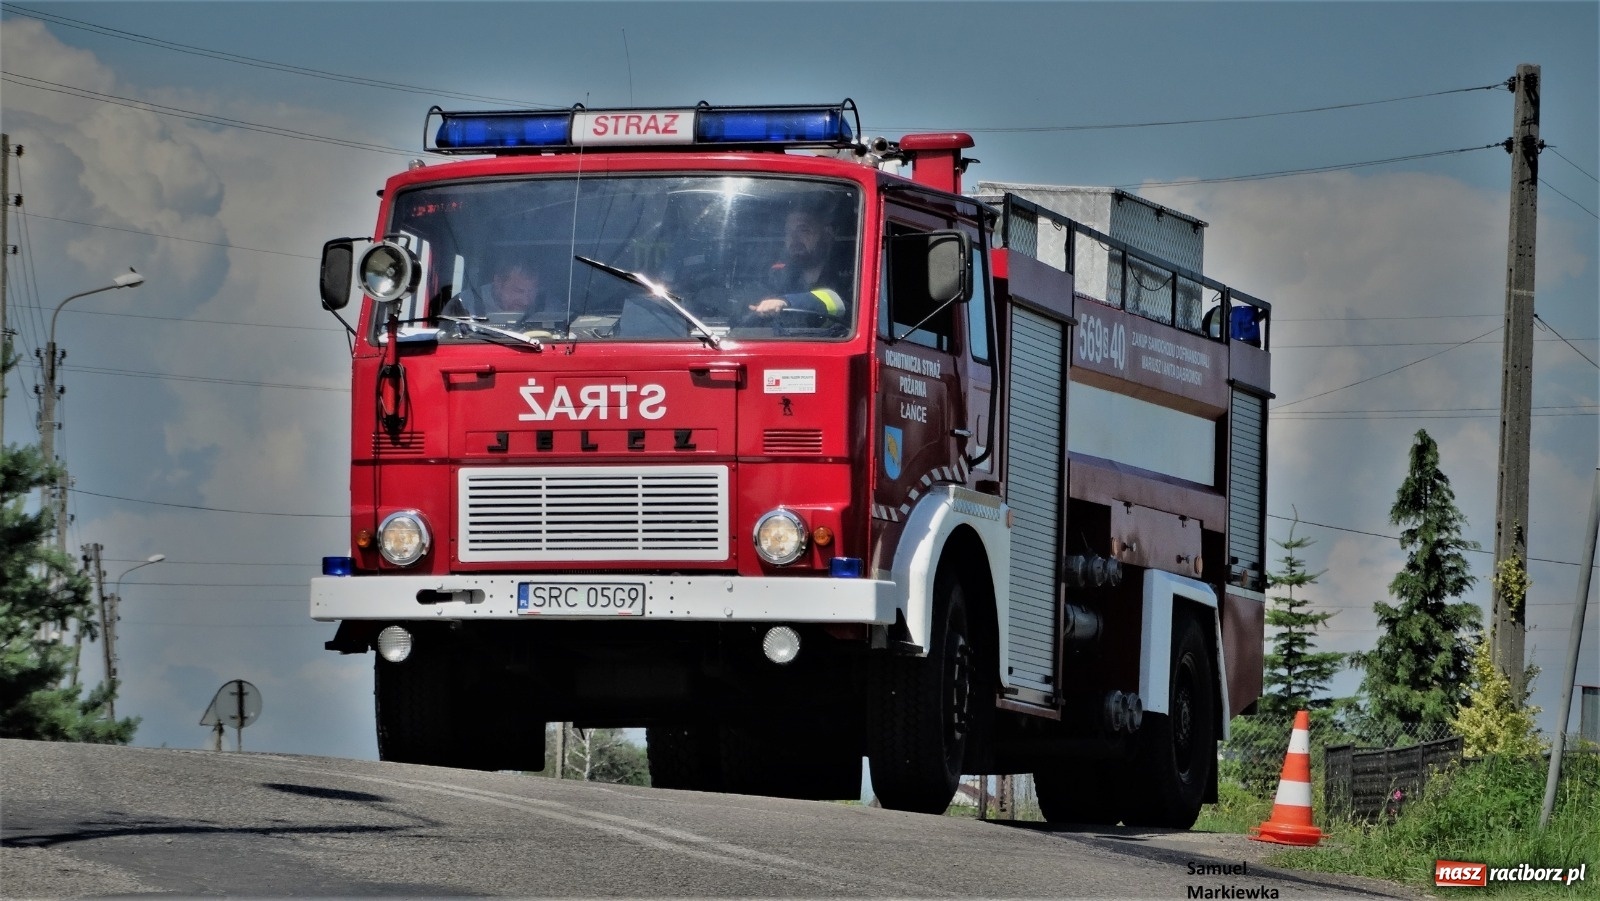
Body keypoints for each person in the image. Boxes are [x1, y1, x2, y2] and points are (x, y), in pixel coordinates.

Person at [746, 207, 848, 321]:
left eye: (803, 230)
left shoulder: (851, 274)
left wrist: (786, 302)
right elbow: (750, 301)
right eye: (788, 232)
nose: (793, 239)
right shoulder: (777, 276)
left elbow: (839, 302)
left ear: (827, 234)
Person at [445, 255, 554, 323]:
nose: (526, 301)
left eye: (532, 291)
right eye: (518, 291)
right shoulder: (464, 303)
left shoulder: (547, 305)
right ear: (498, 283)